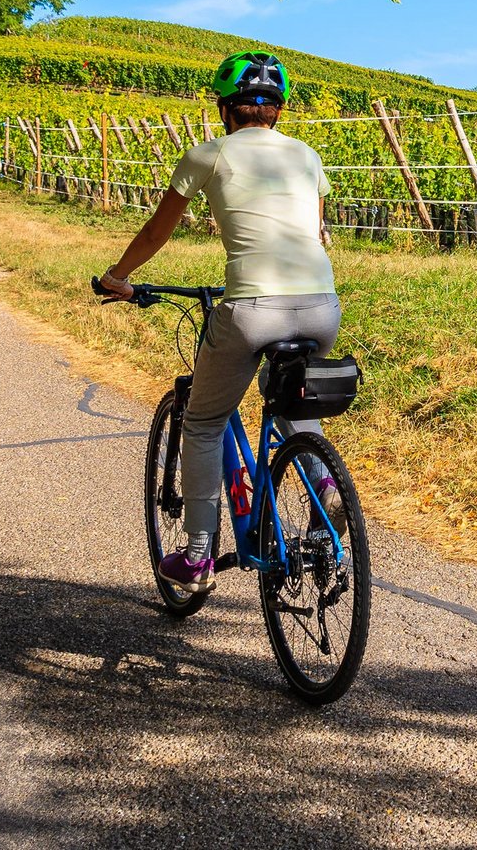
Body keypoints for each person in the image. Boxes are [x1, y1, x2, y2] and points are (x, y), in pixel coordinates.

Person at [94, 51, 340, 594]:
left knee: (203, 423)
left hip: (253, 307)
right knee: (294, 406)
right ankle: (326, 486)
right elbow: (315, 230)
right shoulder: (306, 155)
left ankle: (199, 551)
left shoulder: (208, 155)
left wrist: (117, 277)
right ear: (277, 110)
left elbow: (157, 233)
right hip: (322, 306)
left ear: (226, 109)